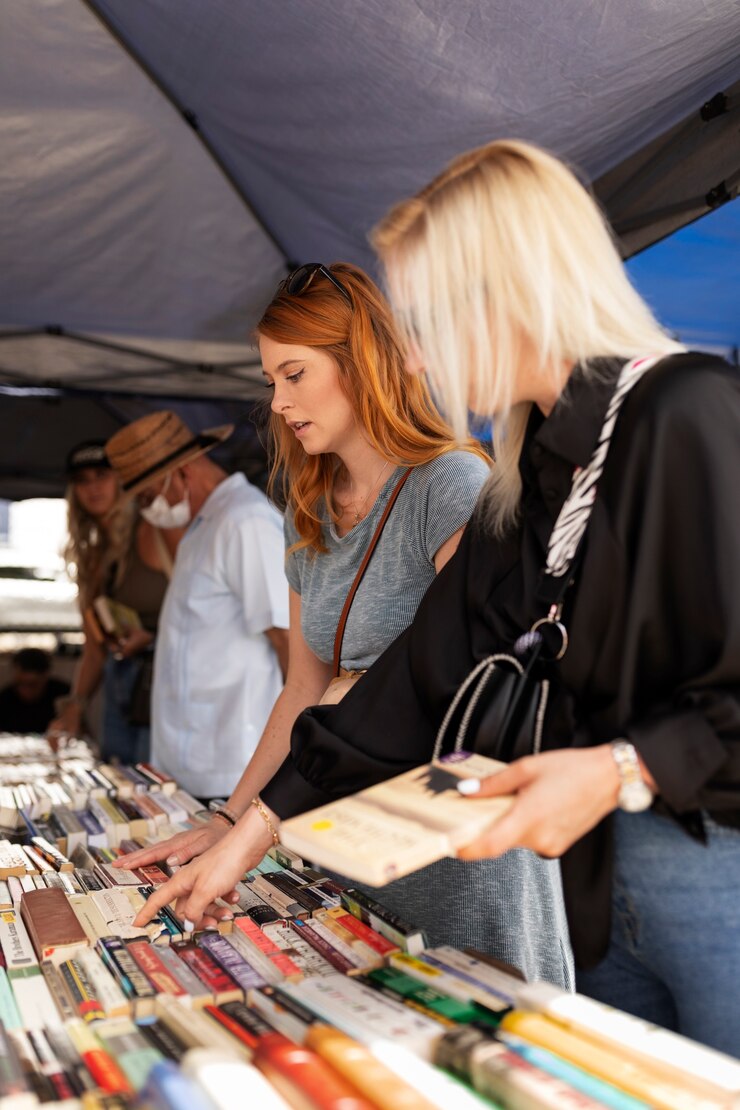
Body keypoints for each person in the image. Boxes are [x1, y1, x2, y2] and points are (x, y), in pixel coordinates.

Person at [260, 142, 739, 1053]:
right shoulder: (531, 473)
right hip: (603, 889)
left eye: (426, 311)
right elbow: (417, 674)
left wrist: (615, 769)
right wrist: (260, 824)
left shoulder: (687, 410)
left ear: (503, 291)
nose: (412, 348)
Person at [122, 263, 575, 990]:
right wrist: (228, 817)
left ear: (360, 360)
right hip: (346, 840)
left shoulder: (447, 484)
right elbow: (302, 688)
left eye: (295, 374)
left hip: (453, 852)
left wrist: (261, 822)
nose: (279, 402)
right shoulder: (311, 514)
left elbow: (477, 675)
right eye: (271, 382)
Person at [105, 411, 289, 802]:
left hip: (232, 764)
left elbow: (288, 638)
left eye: (147, 496)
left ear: (182, 473)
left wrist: (294, 752)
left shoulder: (245, 520)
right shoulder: (206, 524)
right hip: (194, 761)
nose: (148, 508)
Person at [49, 439, 181, 761]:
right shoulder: (92, 554)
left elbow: (208, 610)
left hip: (169, 680)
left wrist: (152, 638)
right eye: (82, 480)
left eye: (101, 475)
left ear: (122, 479)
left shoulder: (154, 529)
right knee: (119, 787)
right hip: (121, 683)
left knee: (155, 791)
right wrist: (75, 706)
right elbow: (94, 646)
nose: (92, 487)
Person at [0, 648, 70, 734]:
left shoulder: (62, 695)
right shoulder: (5, 698)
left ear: (45, 676)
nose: (25, 689)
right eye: (20, 683)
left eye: (32, 685)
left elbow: (79, 729)